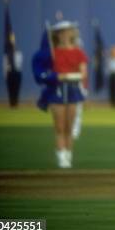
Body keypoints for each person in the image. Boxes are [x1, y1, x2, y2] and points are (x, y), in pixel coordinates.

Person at [32, 20, 88, 169]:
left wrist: (75, 77)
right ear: (57, 35)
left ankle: (68, 156)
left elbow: (83, 72)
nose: (65, 34)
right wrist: (56, 76)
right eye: (62, 32)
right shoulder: (51, 53)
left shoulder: (78, 52)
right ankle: (61, 158)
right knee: (59, 127)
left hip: (73, 89)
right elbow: (44, 71)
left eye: (68, 31)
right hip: (56, 90)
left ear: (73, 33)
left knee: (69, 127)